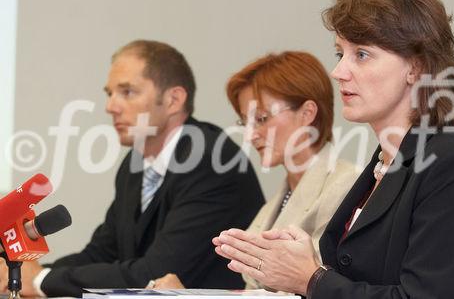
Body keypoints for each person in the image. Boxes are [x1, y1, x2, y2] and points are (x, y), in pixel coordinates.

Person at [213, 0, 454, 298]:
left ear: (416, 68)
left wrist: (312, 279)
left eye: (361, 55)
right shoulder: (385, 160)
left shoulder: (450, 159)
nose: (338, 71)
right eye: (340, 53)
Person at [0, 40, 264, 297]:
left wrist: (40, 280)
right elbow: (103, 252)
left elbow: (155, 274)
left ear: (173, 100)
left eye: (127, 92)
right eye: (109, 93)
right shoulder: (135, 164)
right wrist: (24, 274)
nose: (110, 106)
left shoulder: (211, 161)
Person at [149, 51, 359, 290]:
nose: (250, 135)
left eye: (261, 119)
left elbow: (317, 289)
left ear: (307, 114)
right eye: (244, 123)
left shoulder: (347, 187)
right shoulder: (272, 206)